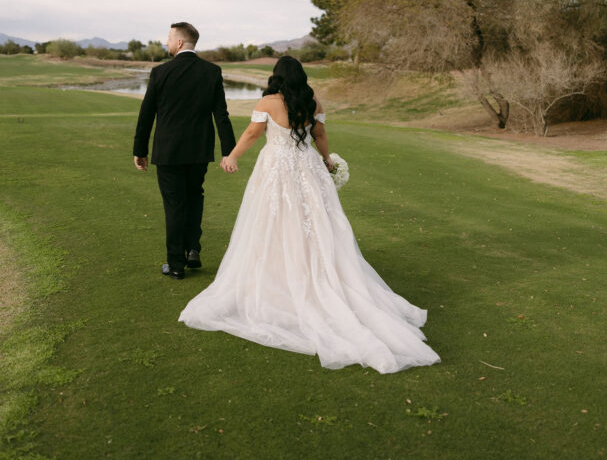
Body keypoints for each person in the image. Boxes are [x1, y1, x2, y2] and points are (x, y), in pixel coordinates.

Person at [180, 56, 440, 374]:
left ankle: (280, 281)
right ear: (301, 77)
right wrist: (328, 161)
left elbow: (251, 133)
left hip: (276, 170)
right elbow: (319, 136)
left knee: (273, 223)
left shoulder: (268, 101)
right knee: (314, 223)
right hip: (307, 168)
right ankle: (307, 273)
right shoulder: (312, 101)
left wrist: (232, 156)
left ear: (277, 76)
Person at [133, 21, 235, 279]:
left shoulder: (160, 72)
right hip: (199, 151)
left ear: (179, 42)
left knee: (174, 205)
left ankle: (176, 264)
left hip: (168, 151)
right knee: (194, 198)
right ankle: (193, 249)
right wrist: (228, 151)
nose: (166, 42)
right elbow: (221, 115)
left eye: (169, 38)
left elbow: (146, 115)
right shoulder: (211, 71)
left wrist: (139, 150)